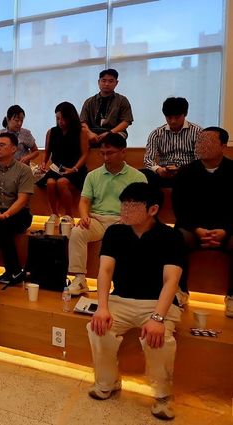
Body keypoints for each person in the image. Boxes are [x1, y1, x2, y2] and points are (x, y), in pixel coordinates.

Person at [87, 182, 186, 421]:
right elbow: (105, 271)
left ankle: (163, 396)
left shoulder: (171, 236)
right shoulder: (115, 233)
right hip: (121, 298)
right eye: (124, 203)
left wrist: (157, 318)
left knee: (159, 338)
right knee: (97, 327)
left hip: (158, 302)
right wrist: (102, 307)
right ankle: (108, 382)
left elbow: (171, 281)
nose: (125, 209)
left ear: (153, 209)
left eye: (133, 205)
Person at [67, 133, 147, 296]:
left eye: (110, 153)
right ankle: (80, 279)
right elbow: (84, 201)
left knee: (120, 235)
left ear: (123, 152)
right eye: (102, 153)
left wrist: (129, 219)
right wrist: (84, 216)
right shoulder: (93, 175)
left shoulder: (137, 177)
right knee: (77, 232)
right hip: (97, 219)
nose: (105, 158)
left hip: (122, 220)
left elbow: (142, 206)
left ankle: (121, 285)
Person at [172, 127, 233, 316]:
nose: (202, 145)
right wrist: (197, 229)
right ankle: (180, 291)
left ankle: (232, 296)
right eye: (199, 142)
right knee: (176, 238)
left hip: (227, 231)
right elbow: (179, 207)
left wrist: (225, 230)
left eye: (209, 141)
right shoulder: (186, 172)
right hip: (193, 229)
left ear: (223, 146)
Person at [0, 132, 33, 286]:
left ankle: (14, 270)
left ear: (14, 149)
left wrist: (6, 214)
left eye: (2, 145)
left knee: (1, 225)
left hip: (19, 213)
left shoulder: (24, 170)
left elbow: (23, 200)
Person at [38, 101, 89, 221]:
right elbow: (47, 152)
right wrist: (44, 163)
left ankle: (69, 215)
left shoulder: (81, 131)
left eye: (63, 118)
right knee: (50, 183)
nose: (60, 122)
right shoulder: (52, 132)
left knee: (62, 183)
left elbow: (85, 154)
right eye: (57, 118)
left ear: (71, 118)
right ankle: (54, 214)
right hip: (57, 168)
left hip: (76, 169)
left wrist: (74, 169)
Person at [142, 97, 202, 189]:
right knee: (144, 174)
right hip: (164, 173)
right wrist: (159, 170)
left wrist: (182, 169)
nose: (173, 121)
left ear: (185, 114)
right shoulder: (156, 134)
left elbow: (200, 160)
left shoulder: (197, 132)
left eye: (177, 117)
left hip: (188, 174)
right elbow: (148, 159)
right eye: (169, 117)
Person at [80, 69, 133, 146]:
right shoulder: (89, 101)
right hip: (93, 132)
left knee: (115, 138)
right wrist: (89, 133)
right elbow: (83, 122)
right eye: (103, 81)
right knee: (80, 135)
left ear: (116, 83)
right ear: (99, 82)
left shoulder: (122, 100)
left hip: (114, 132)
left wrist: (110, 133)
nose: (107, 84)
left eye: (111, 81)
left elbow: (126, 122)